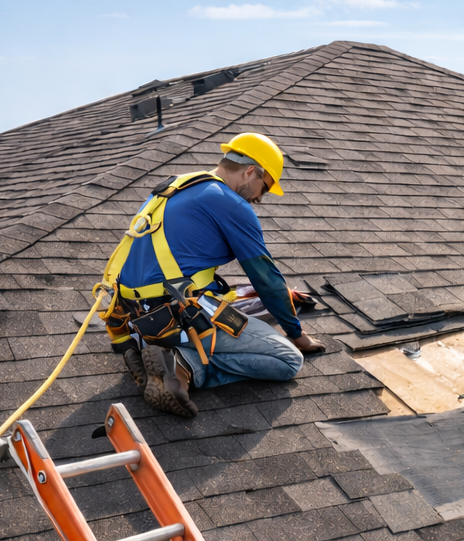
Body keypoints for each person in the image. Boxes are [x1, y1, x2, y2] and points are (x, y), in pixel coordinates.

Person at [104, 132, 323, 417]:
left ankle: (157, 354)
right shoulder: (232, 204)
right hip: (181, 316)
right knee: (288, 360)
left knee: (227, 305)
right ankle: (183, 366)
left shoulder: (176, 184)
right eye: (264, 187)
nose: (260, 198)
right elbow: (266, 280)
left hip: (138, 320)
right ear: (250, 172)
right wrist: (297, 335)